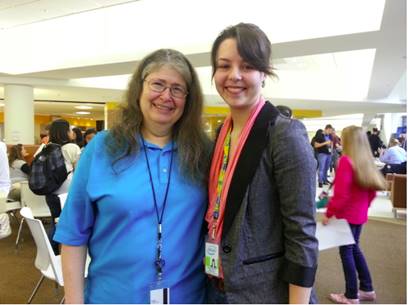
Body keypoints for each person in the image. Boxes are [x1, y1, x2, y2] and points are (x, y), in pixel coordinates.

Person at [54, 49, 212, 303]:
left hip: (188, 297)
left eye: (177, 89)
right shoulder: (103, 148)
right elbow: (74, 234)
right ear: (139, 88)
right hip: (112, 297)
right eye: (158, 84)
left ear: (188, 99)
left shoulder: (203, 153)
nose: (166, 96)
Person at [205, 23, 318, 304]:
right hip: (217, 284)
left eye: (247, 66)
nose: (234, 76)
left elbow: (301, 232)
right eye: (224, 66)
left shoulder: (284, 133)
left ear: (264, 73)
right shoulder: (222, 134)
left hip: (264, 292)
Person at [322, 125, 386, 304]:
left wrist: (329, 213)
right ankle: (367, 288)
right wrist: (363, 207)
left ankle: (351, 295)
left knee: (347, 252)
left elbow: (341, 195)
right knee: (355, 248)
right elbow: (373, 192)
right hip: (360, 216)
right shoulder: (367, 162)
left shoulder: (346, 162)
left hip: (348, 217)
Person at [46, 119, 81, 254]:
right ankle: (59, 254)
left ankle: (52, 252)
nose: (73, 132)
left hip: (50, 191)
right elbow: (79, 172)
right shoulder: (73, 147)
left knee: (55, 222)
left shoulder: (47, 147)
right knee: (64, 224)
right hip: (67, 192)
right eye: (71, 129)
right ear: (65, 132)